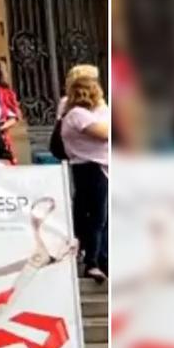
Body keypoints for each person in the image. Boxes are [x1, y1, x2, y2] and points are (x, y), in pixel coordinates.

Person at [61, 76, 109, 281]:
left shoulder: (85, 114)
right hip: (90, 167)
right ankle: (92, 261)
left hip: (95, 167)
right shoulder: (77, 114)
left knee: (98, 217)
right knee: (96, 217)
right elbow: (105, 133)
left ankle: (100, 258)